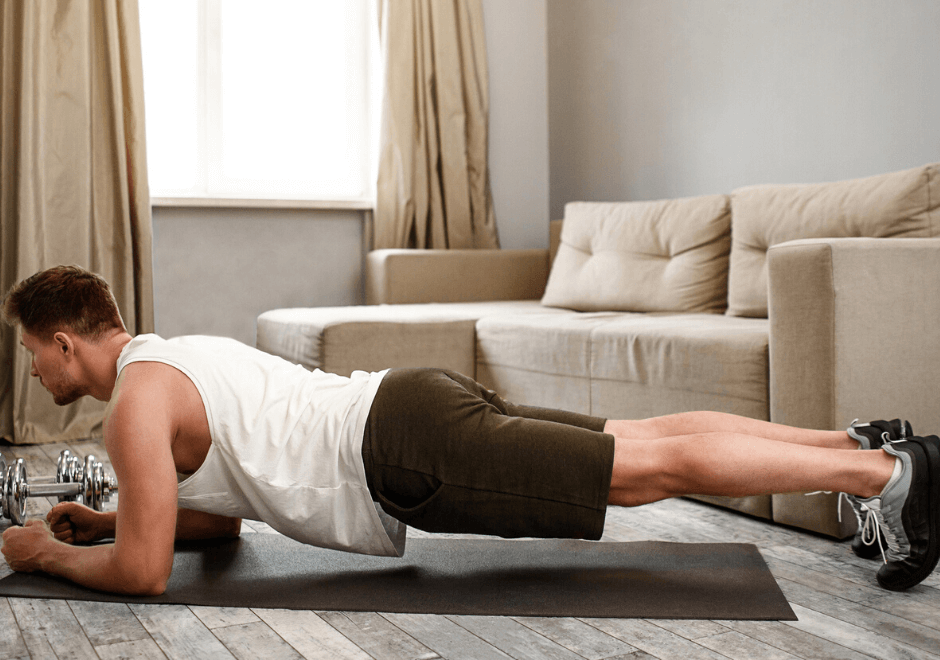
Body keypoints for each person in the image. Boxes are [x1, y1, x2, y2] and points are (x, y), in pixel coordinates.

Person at [1, 266, 937, 595]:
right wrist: (114, 521)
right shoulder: (172, 357)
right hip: (408, 405)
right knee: (644, 434)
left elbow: (148, 576)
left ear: (62, 339)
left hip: (404, 448)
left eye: (32, 355)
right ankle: (856, 448)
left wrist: (38, 552)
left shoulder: (131, 402)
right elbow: (213, 523)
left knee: (645, 469)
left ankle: (886, 478)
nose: (35, 374)